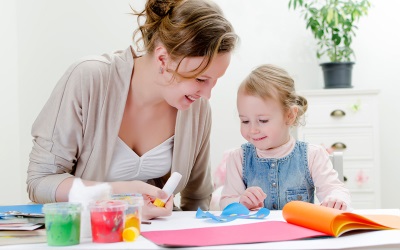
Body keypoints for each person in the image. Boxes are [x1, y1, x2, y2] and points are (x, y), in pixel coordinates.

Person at [27, 0, 238, 220]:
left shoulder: (197, 108)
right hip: (87, 235)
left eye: (214, 81)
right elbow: (40, 181)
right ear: (162, 59)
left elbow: (197, 199)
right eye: (201, 79)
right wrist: (117, 196)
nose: (207, 94)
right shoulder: (89, 79)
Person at [219, 64, 351, 211]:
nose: (252, 129)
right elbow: (226, 202)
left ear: (289, 115)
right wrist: (240, 202)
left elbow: (335, 189)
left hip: (301, 233)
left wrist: (336, 199)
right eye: (245, 121)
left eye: (263, 120)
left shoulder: (312, 155)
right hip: (255, 233)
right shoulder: (238, 159)